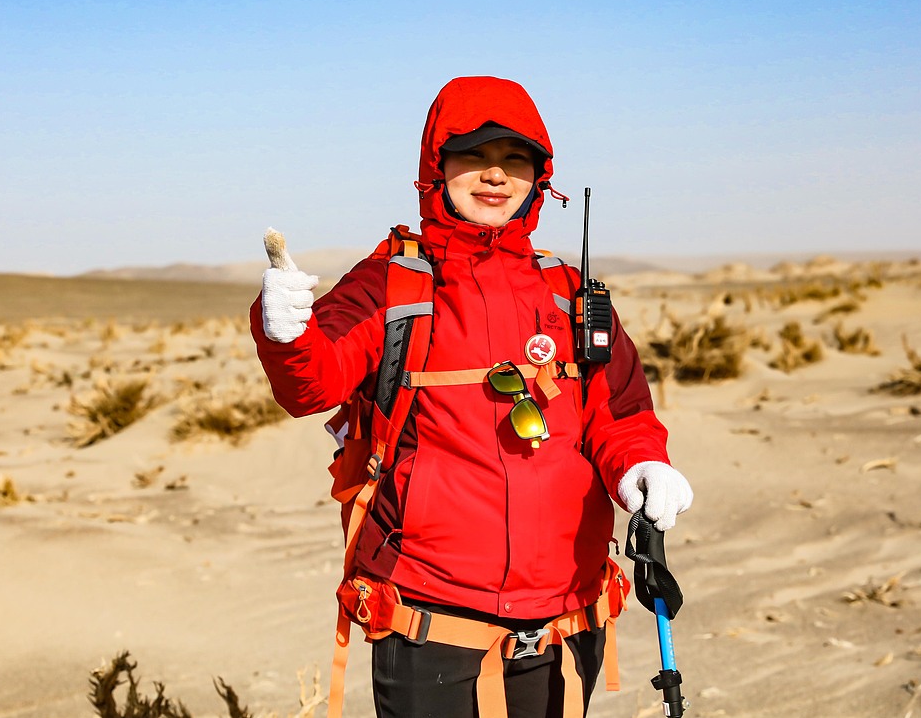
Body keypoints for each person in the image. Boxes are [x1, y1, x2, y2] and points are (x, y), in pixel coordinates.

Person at [250, 75, 692, 718]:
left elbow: (619, 413)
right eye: (473, 157)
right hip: (428, 617)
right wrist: (286, 332)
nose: (495, 175)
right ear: (436, 168)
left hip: (567, 616)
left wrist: (642, 468)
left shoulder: (571, 294)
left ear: (540, 179)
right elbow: (313, 383)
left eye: (515, 159)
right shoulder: (390, 284)